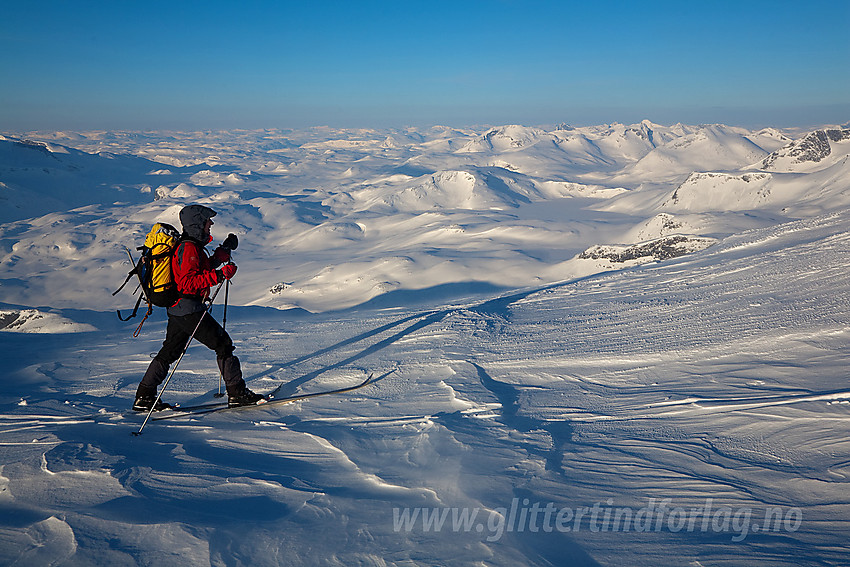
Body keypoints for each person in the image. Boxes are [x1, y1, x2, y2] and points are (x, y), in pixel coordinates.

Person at [132, 204, 265, 411]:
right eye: (207, 221)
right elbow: (187, 282)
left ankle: (144, 397)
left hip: (178, 309)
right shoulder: (189, 248)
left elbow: (196, 270)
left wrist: (219, 257)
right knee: (223, 344)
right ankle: (237, 393)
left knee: (169, 352)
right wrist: (220, 275)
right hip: (189, 309)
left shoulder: (190, 245)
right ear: (198, 223)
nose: (210, 224)